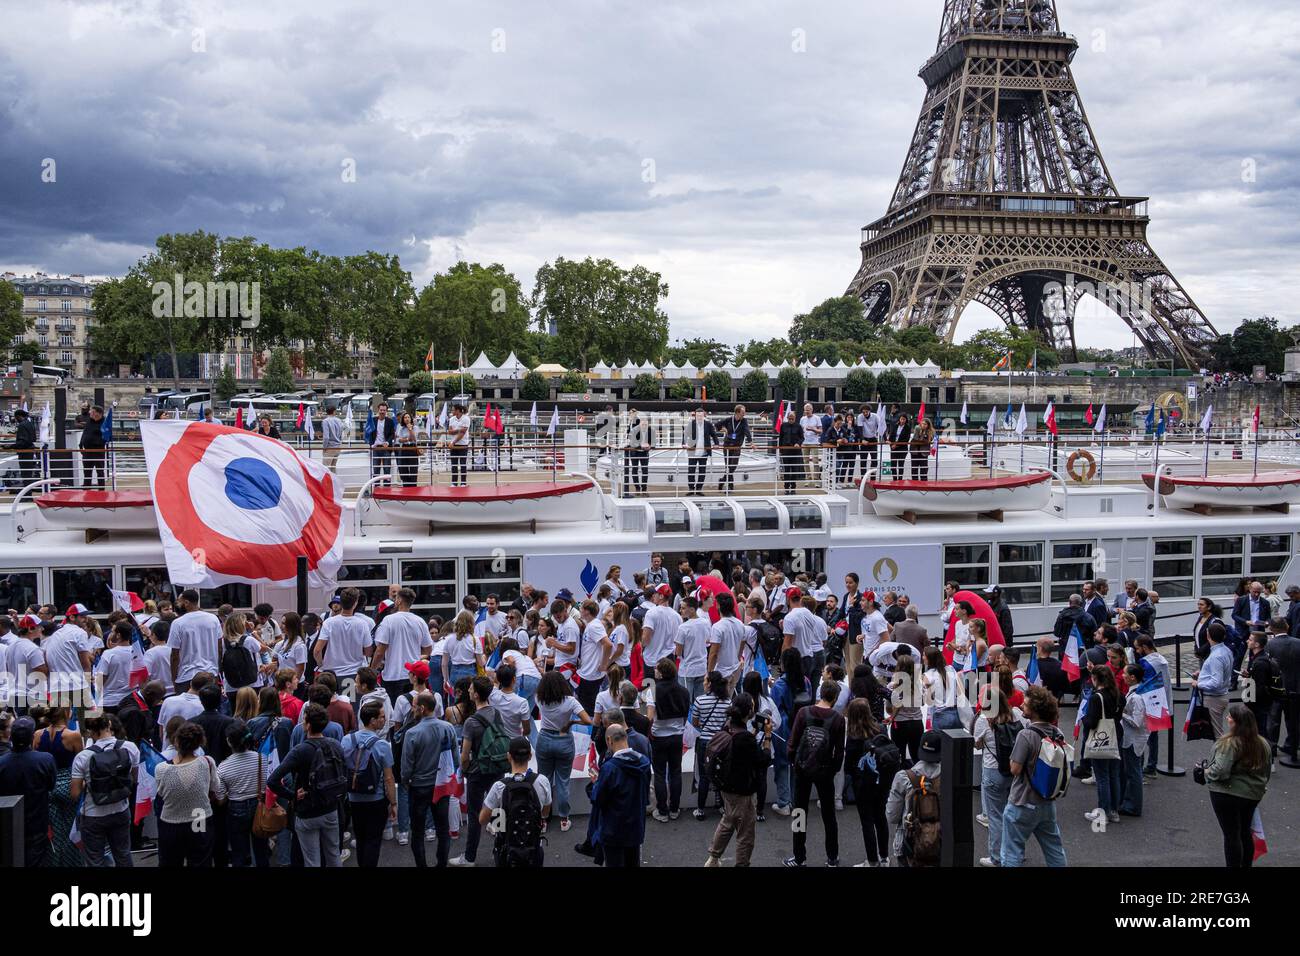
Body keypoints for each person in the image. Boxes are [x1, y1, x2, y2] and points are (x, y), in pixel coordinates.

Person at [267, 703, 347, 867]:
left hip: (307, 810)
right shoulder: (335, 745)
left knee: (312, 861)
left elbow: (273, 780)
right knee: (333, 855)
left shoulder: (299, 750)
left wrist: (292, 795)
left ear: (308, 725)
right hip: (331, 807)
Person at [1001, 686, 1069, 867]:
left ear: (1036, 710)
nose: (1022, 705)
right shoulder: (1056, 733)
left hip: (1022, 801)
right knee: (1054, 849)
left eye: (1026, 703)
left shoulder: (1026, 735)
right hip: (1046, 802)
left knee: (1012, 851)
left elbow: (1015, 769)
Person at [703, 692, 771, 867]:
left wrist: (754, 732)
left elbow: (740, 750)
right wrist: (768, 737)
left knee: (728, 821)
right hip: (743, 791)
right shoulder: (745, 738)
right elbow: (763, 760)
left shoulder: (728, 727)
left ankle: (713, 857)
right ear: (748, 711)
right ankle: (742, 864)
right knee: (745, 833)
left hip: (726, 786)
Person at [783, 680, 846, 867]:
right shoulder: (838, 719)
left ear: (820, 694)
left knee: (800, 812)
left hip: (802, 769)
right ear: (834, 698)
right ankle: (832, 857)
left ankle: (799, 856)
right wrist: (833, 769)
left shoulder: (804, 713)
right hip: (825, 771)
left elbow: (793, 742)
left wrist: (794, 762)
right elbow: (839, 750)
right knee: (829, 816)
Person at [1202, 704, 1272, 868]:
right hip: (1253, 794)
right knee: (1245, 832)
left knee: (1232, 835)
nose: (1227, 719)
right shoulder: (1262, 743)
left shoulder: (1229, 744)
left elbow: (1221, 771)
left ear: (1236, 723)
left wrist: (1206, 772)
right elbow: (1266, 771)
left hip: (1227, 794)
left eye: (1230, 717)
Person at [69, 714, 140, 868]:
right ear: (109, 725)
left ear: (90, 732)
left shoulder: (83, 756)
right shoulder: (130, 747)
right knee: (123, 855)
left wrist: (87, 782)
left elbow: (74, 794)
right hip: (121, 810)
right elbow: (134, 779)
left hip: (93, 815)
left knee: (95, 860)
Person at [400, 691, 458, 866]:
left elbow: (406, 767)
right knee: (442, 830)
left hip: (419, 787)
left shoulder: (412, 733)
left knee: (417, 832)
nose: (413, 709)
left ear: (422, 708)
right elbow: (455, 759)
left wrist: (406, 782)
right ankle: (441, 864)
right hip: (442, 785)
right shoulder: (448, 728)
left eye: (415, 706)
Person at [155, 721, 224, 867]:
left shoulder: (161, 769)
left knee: (171, 862)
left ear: (176, 741)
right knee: (201, 860)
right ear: (199, 743)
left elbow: (161, 793)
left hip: (171, 822)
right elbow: (215, 787)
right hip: (199, 817)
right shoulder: (207, 762)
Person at [587, 722, 652, 867]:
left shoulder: (609, 768)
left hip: (613, 829)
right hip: (636, 826)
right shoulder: (644, 762)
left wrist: (595, 783)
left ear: (609, 740)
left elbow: (598, 799)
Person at [479, 736, 550, 868]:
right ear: (530, 756)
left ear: (509, 756)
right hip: (533, 847)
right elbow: (545, 812)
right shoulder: (542, 781)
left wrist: (497, 821)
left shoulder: (499, 786)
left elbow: (482, 819)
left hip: (507, 849)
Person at [973, 684, 1023, 867]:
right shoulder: (1015, 714)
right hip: (1014, 769)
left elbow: (977, 745)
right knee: (1013, 814)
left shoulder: (983, 720)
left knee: (995, 817)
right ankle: (1016, 853)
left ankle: (997, 857)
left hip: (993, 771)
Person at [843, 698, 896, 868]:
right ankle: (884, 857)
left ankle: (872, 861)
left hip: (863, 783)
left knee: (867, 822)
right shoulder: (880, 728)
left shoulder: (853, 735)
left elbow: (849, 764)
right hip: (882, 780)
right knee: (880, 817)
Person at [0, 717, 56, 867]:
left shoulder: (2, 763)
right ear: (32, 737)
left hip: (9, 825)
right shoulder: (45, 760)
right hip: (37, 824)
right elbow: (51, 785)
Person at [217, 720, 271, 868]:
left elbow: (220, 799)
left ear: (229, 742)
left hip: (236, 808)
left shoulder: (223, 767)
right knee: (261, 851)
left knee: (238, 852)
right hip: (259, 806)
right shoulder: (262, 758)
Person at [646, 657, 690, 821]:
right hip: (677, 736)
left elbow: (650, 717)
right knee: (675, 772)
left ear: (662, 672)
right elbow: (686, 714)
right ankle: (674, 808)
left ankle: (662, 810)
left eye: (656, 669)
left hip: (659, 737)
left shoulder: (653, 690)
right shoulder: (684, 691)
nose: (654, 671)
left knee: (659, 773)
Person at [372, 588, 433, 704]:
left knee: (395, 714)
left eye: (396, 598)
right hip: (413, 675)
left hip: (392, 676)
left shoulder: (388, 620)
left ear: (399, 600)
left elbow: (380, 650)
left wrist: (372, 670)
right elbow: (428, 649)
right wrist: (415, 654)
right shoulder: (419, 621)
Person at [1081, 663, 1123, 824]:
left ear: (1095, 679)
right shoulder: (1117, 694)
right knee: (1114, 774)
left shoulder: (1096, 698)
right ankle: (1113, 810)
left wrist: (1084, 718)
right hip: (1116, 735)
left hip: (1101, 738)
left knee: (1102, 776)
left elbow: (1091, 722)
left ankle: (1102, 811)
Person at [167, 589, 222, 695]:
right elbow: (219, 648)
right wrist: (217, 671)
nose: (177, 604)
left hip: (186, 677)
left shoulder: (178, 623)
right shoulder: (213, 619)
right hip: (211, 674)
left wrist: (174, 679)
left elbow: (174, 655)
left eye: (179, 601)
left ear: (186, 603)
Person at [1193, 623, 1234, 737]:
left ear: (1208, 636)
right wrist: (1202, 674)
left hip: (1214, 698)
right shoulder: (1226, 650)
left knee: (1217, 734)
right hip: (1221, 695)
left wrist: (1199, 683)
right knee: (1217, 732)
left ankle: (1223, 754)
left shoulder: (1216, 656)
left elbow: (1216, 682)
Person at [1118, 663, 1148, 818]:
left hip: (1133, 739)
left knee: (1133, 772)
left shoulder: (1136, 697)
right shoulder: (1135, 693)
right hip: (1131, 738)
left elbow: (1136, 722)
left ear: (1132, 677)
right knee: (1130, 771)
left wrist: (1122, 713)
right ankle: (1127, 801)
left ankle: (1134, 805)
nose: (1122, 676)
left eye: (1125, 674)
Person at [682, 407, 717, 495]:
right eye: (698, 416)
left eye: (701, 416)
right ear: (695, 415)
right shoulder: (691, 424)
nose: (699, 417)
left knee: (702, 471)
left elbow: (713, 434)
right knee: (691, 471)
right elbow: (685, 434)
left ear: (704, 415)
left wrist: (717, 443)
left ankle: (698, 489)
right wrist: (683, 444)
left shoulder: (708, 424)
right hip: (692, 451)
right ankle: (691, 489)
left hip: (704, 452)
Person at [718, 404, 752, 494]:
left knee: (733, 466)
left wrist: (751, 441)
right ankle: (730, 486)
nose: (744, 415)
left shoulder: (744, 421)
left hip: (737, 446)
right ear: (737, 413)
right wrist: (723, 429)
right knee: (728, 466)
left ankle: (722, 480)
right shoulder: (729, 420)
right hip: (727, 445)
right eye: (742, 413)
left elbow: (747, 431)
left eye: (744, 413)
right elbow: (717, 425)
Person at [4, 408, 38, 484]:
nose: (16, 419)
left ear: (18, 416)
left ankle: (27, 493)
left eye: (16, 418)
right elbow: (33, 438)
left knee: (25, 473)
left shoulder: (22, 425)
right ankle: (28, 492)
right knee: (28, 473)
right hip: (30, 451)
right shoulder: (29, 423)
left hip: (24, 452)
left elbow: (23, 441)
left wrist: (11, 446)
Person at [78, 404, 107, 489]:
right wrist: (81, 444)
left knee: (100, 471)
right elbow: (85, 432)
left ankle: (101, 490)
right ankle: (86, 489)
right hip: (87, 451)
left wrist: (96, 443)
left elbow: (105, 437)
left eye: (93, 411)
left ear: (98, 413)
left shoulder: (104, 423)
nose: (90, 413)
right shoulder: (89, 421)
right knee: (87, 472)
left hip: (98, 451)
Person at [777, 408, 804, 494]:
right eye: (790, 418)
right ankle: (786, 487)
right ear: (787, 418)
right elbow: (781, 438)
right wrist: (781, 449)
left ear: (795, 418)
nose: (791, 420)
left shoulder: (798, 426)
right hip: (786, 451)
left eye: (793, 418)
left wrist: (798, 443)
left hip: (795, 451)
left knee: (794, 469)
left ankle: (793, 488)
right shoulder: (783, 426)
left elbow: (802, 437)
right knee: (787, 470)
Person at [445, 401, 471, 487]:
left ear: (458, 411)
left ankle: (463, 482)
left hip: (463, 444)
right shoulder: (452, 419)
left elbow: (462, 433)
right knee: (454, 465)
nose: (452, 412)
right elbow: (450, 432)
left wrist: (453, 441)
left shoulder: (466, 418)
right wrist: (458, 430)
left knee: (463, 464)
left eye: (453, 410)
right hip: (453, 445)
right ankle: (454, 483)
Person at [367, 402, 395, 478]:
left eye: (384, 410)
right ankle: (376, 488)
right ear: (378, 410)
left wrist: (387, 442)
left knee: (387, 469)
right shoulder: (373, 420)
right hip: (375, 448)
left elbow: (392, 434)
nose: (382, 412)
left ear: (386, 411)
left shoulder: (390, 421)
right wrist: (371, 444)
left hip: (386, 448)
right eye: (381, 410)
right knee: (375, 470)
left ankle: (387, 488)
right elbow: (368, 433)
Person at [394, 410, 419, 487]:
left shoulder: (415, 427)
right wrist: (407, 439)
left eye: (408, 417)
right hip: (404, 448)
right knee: (403, 468)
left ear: (411, 419)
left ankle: (413, 487)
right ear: (403, 419)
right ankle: (406, 486)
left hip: (412, 448)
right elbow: (399, 439)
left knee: (413, 469)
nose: (407, 419)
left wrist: (410, 429)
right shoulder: (401, 428)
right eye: (405, 417)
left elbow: (414, 439)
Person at [910, 414, 934, 480]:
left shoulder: (930, 431)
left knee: (924, 468)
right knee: (914, 467)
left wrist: (922, 437)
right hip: (915, 451)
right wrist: (923, 439)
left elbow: (929, 441)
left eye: (925, 424)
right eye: (922, 423)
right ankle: (914, 482)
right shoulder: (917, 428)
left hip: (924, 452)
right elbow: (915, 438)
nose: (923, 425)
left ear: (928, 425)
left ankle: (924, 482)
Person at [321, 405, 344, 471]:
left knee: (325, 469)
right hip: (338, 447)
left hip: (330, 447)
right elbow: (342, 434)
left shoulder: (325, 421)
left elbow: (326, 437)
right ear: (334, 412)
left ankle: (327, 481)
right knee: (333, 468)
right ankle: (334, 481)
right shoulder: (339, 420)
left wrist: (324, 448)